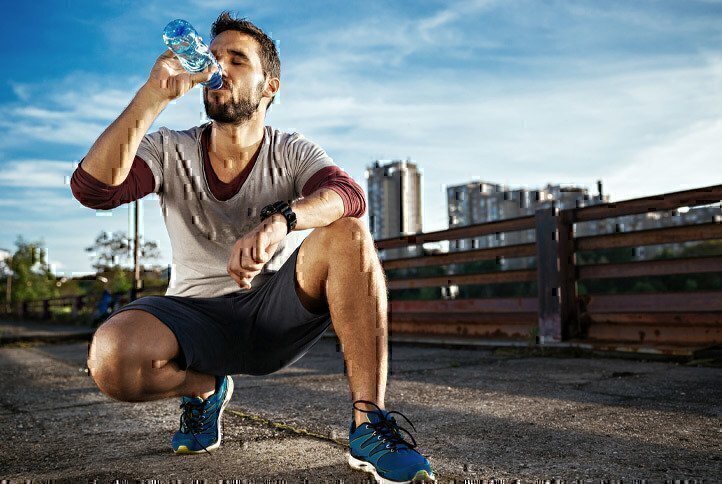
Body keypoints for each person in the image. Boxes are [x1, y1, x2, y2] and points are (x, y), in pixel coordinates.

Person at [71, 11, 434, 483]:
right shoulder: (169, 149)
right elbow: (93, 190)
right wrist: (151, 97)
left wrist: (283, 221)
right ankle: (205, 387)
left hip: (272, 312)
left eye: (236, 58)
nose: (217, 65)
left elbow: (348, 196)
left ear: (270, 86)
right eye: (213, 55)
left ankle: (369, 426)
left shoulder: (291, 151)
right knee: (111, 359)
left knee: (347, 233)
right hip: (192, 316)